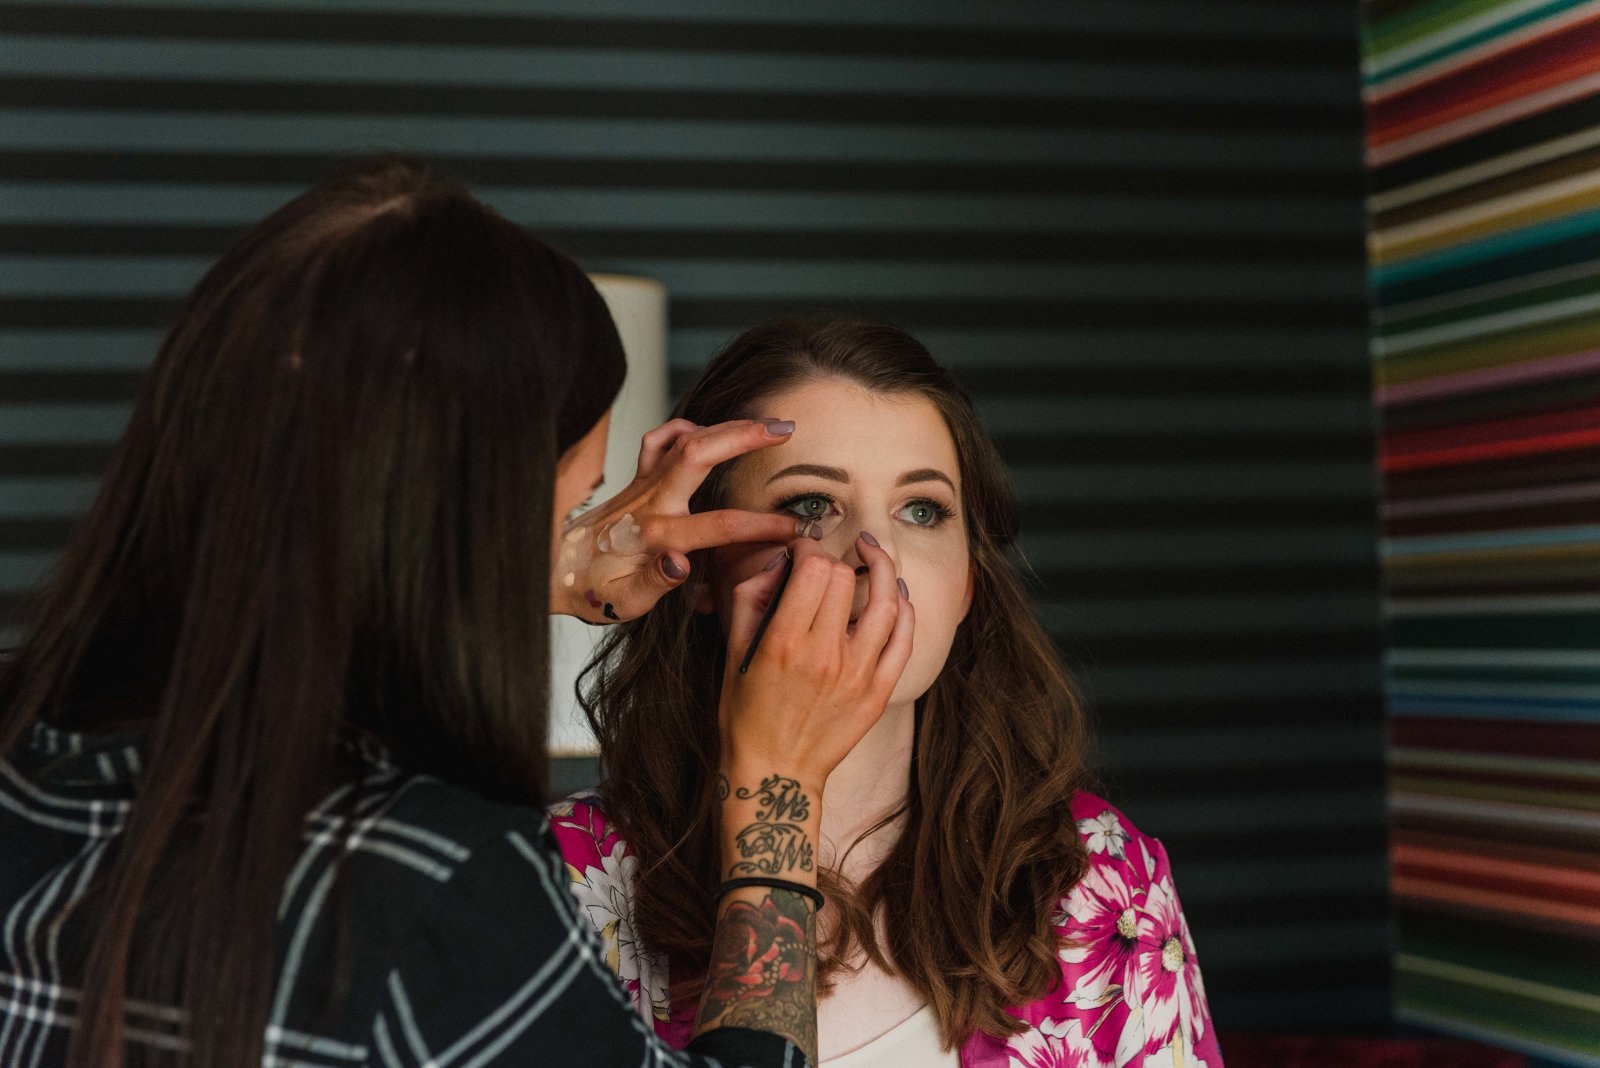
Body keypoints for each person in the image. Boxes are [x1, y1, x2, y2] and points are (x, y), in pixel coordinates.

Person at [0, 159, 913, 1068]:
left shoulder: (33, 752)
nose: (870, 553)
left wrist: (553, 558)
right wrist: (774, 788)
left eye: (923, 508)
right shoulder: (437, 885)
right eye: (571, 503)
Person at [554, 318, 1225, 1067]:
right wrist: (565, 564)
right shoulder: (564, 880)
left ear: (968, 585)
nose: (879, 558)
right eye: (812, 505)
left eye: (922, 510)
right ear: (701, 569)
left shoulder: (1101, 879)